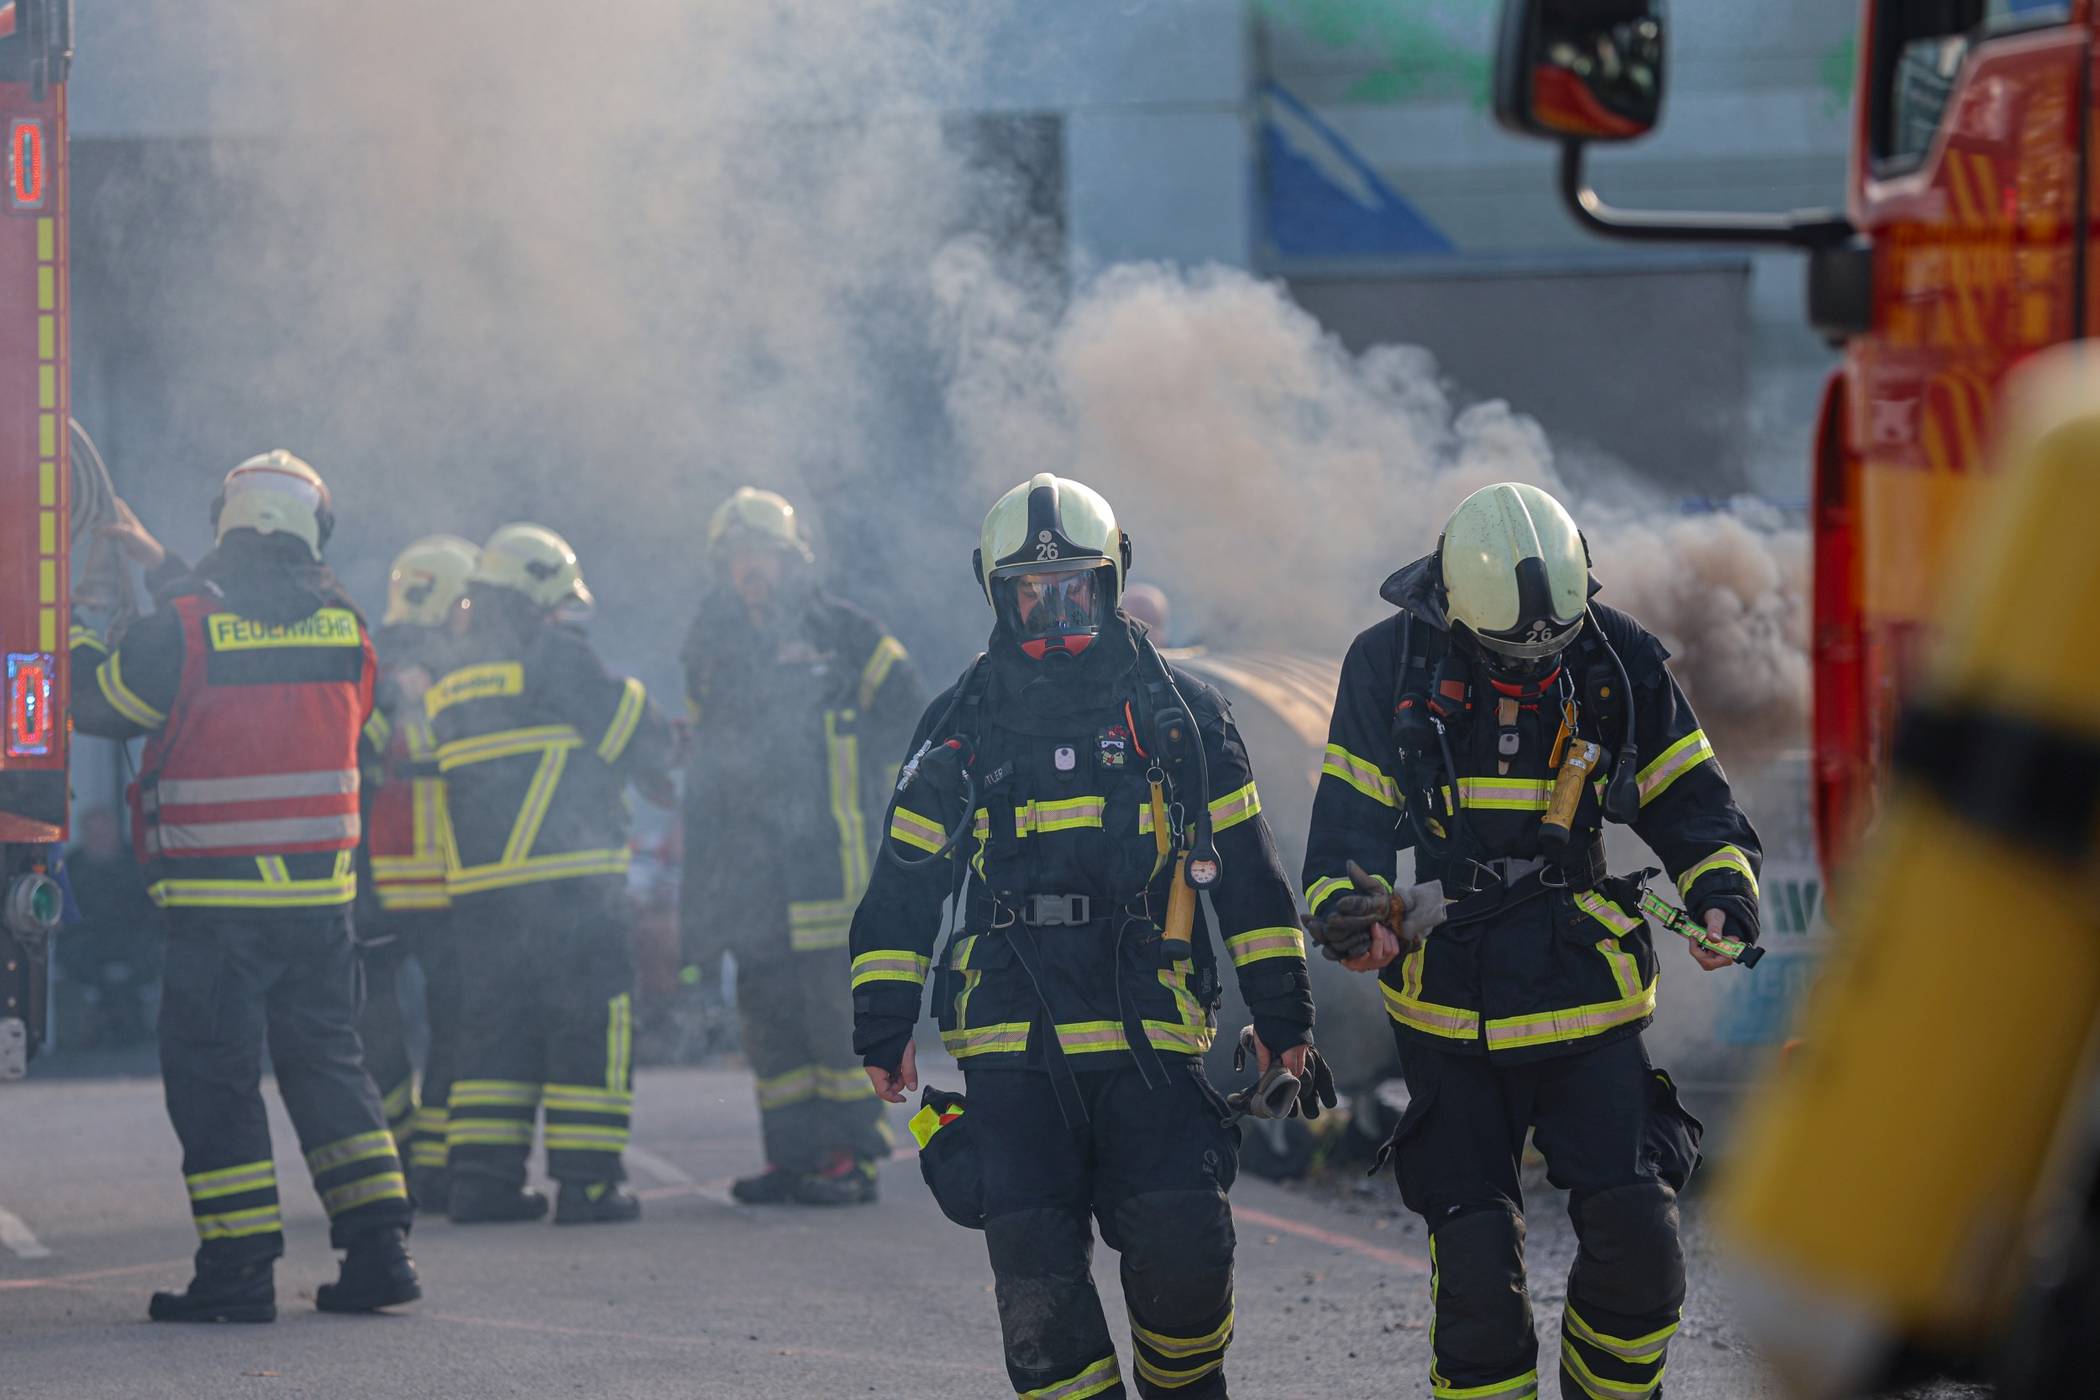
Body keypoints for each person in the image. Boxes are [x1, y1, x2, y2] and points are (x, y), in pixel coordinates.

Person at [850, 473, 1322, 1399]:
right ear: (997, 593)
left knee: (1185, 1258)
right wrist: (882, 1021)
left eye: (1073, 588)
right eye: (1032, 592)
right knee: (1040, 1299)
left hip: (1149, 1032)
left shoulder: (1183, 717)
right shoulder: (959, 724)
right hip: (1011, 1044)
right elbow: (904, 884)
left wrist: (1285, 1017)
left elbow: (1251, 878)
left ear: (1110, 582)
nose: (1055, 610)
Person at [1302, 482, 1760, 1400]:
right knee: (1477, 1279)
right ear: (1457, 613)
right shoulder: (1389, 663)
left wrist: (1721, 895)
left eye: (1552, 649)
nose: (1537, 669)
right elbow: (1344, 835)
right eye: (1513, 654)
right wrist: (1352, 918)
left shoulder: (1614, 654)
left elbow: (1694, 803)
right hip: (1450, 1005)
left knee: (1641, 1246)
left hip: (1583, 990)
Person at [69, 451, 418, 1322]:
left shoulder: (184, 631)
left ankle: (237, 1271)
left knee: (215, 1081)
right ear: (312, 530)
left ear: (227, 525)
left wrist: (73, 626)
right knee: (330, 1066)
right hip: (320, 910)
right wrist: (161, 564)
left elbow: (98, 704)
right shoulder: (347, 631)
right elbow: (255, 626)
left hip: (218, 910)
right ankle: (380, 1254)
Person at [679, 487, 923, 1205]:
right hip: (749, 877)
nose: (751, 569)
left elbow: (914, 720)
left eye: (764, 554)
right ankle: (792, 1157)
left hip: (829, 871)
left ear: (791, 561)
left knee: (833, 1023)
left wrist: (883, 807)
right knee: (770, 1026)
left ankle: (851, 1157)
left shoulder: (844, 635)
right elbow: (706, 763)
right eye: (739, 557)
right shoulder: (710, 645)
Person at [429, 523, 678, 1225]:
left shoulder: (454, 673)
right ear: (539, 592)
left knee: (494, 1036)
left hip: (482, 895)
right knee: (589, 1029)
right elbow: (635, 731)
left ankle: (481, 1184)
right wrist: (662, 742)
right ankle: (588, 1186)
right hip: (571, 889)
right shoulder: (554, 654)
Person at [356, 535, 479, 1212]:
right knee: (454, 1021)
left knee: (379, 1027)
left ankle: (400, 1154)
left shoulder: (365, 662)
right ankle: (431, 1159)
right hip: (446, 884)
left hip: (374, 884)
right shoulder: (464, 672)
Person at [55, 807, 160, 1048]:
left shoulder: (136, 862)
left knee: (142, 956)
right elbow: (63, 910)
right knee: (86, 962)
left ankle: (130, 1022)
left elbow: (150, 908)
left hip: (132, 939)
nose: (100, 839)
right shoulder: (71, 866)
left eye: (105, 832)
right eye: (93, 834)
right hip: (87, 942)